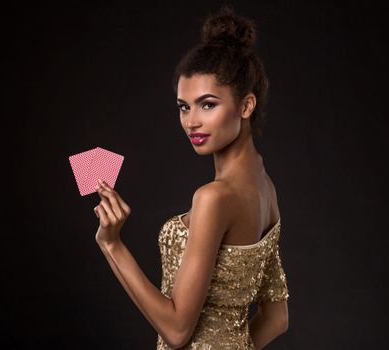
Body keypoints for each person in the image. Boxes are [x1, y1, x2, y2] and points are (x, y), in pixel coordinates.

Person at [93, 4, 289, 349]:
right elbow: (277, 319)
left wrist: (112, 245)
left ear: (246, 106)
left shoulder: (214, 197)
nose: (191, 122)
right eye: (184, 106)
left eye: (208, 104)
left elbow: (177, 331)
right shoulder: (265, 189)